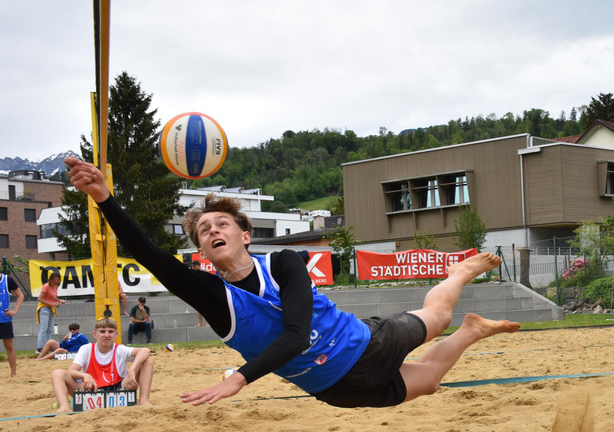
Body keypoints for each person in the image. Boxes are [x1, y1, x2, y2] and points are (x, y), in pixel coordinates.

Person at [65, 157, 519, 408]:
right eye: (204, 230)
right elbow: (148, 253)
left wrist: (239, 379)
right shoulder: (214, 296)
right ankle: (472, 331)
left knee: (437, 315)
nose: (213, 230)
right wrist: (103, 197)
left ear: (245, 235)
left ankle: (459, 272)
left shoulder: (282, 262)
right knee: (432, 380)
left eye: (222, 223)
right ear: (201, 250)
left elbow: (297, 334)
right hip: (333, 389)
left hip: (366, 345)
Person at [50, 317, 154, 413]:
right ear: (95, 334)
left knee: (147, 361)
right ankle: (64, 407)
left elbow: (145, 351)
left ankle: (144, 401)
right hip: (91, 390)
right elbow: (71, 371)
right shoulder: (86, 349)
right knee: (57, 373)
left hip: (119, 389)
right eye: (102, 331)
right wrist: (84, 375)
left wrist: (132, 370)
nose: (106, 335)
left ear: (116, 334)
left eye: (110, 332)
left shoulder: (120, 349)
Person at [1, 270, 25, 378]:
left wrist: (15, 310)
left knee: (9, 346)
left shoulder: (7, 279)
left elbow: (20, 295)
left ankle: (13, 373)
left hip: (4, 319)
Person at [36, 272, 65, 353]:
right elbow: (40, 299)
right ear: (51, 279)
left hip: (51, 309)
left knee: (49, 329)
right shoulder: (46, 286)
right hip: (44, 308)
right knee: (43, 328)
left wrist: (58, 301)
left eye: (57, 280)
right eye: (55, 280)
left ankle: (48, 346)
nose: (56, 282)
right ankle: (40, 347)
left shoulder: (55, 286)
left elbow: (52, 297)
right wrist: (52, 304)